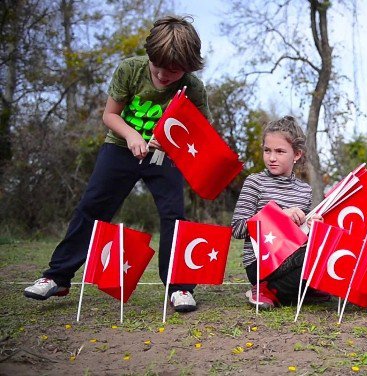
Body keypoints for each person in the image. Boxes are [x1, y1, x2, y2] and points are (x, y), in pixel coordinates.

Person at [23, 15, 211, 313]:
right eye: (158, 66)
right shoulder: (129, 70)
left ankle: (180, 288)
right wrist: (132, 134)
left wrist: (171, 140)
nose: (163, 75)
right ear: (149, 55)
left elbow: (200, 130)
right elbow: (110, 116)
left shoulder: (193, 87)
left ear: (188, 67)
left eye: (173, 70)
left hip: (164, 156)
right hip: (120, 148)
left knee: (174, 215)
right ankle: (57, 277)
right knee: (92, 207)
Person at [231, 116, 326, 309]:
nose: (272, 158)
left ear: (297, 154)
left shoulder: (304, 190)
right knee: (312, 258)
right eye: (267, 150)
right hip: (261, 263)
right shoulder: (254, 183)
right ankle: (271, 290)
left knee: (324, 246)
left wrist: (313, 224)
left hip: (291, 258)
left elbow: (303, 235)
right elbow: (237, 229)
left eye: (280, 151)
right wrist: (279, 217)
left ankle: (281, 290)